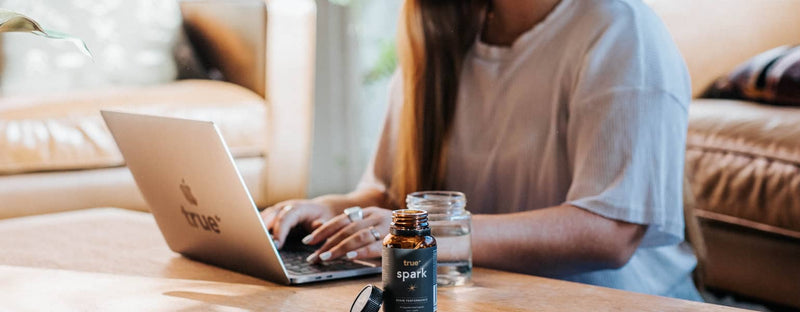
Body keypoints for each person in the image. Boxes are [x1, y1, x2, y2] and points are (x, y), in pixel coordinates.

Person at [261, 0, 703, 300]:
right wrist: (332, 211)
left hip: (614, 299)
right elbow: (391, 195)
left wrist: (430, 237)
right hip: (487, 296)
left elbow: (611, 232)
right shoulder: (441, 30)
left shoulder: (620, 30)